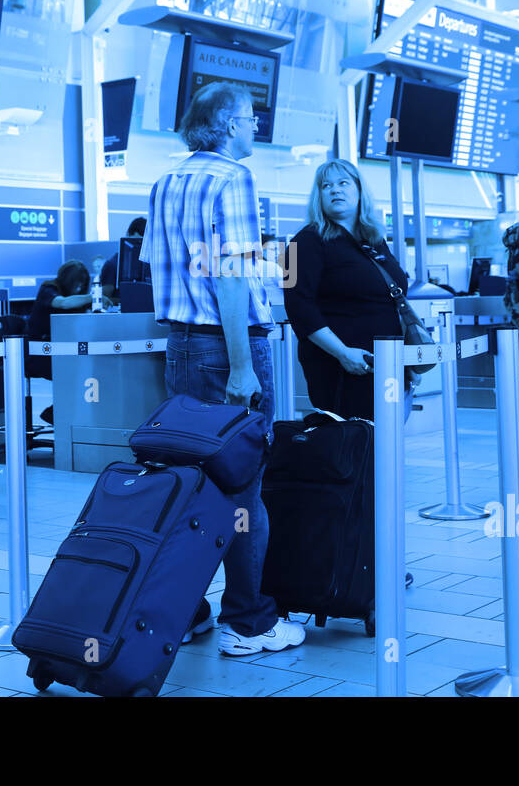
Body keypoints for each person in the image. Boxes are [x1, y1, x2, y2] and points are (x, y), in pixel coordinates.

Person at [141, 80, 304, 657]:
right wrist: (242, 365)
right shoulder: (233, 179)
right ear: (229, 124)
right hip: (226, 346)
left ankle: (185, 612)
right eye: (250, 117)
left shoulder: (165, 182)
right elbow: (230, 277)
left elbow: (158, 271)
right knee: (243, 488)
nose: (256, 125)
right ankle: (249, 623)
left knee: (189, 484)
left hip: (181, 347)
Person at [284, 158, 417, 421]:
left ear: (358, 190)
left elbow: (393, 298)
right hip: (342, 367)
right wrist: (343, 353)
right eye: (326, 185)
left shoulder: (374, 240)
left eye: (343, 183)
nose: (335, 190)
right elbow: (299, 307)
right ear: (319, 196)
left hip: (388, 362)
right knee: (351, 450)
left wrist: (407, 358)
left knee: (384, 449)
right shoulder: (304, 242)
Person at [26, 259, 97, 423]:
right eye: (76, 283)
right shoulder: (49, 289)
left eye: (82, 284)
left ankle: (60, 412)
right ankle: (56, 413)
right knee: (77, 372)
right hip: (37, 354)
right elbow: (63, 303)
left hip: (59, 352)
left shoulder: (77, 298)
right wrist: (91, 297)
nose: (79, 288)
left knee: (85, 370)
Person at [99, 217, 146, 303]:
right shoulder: (112, 265)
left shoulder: (148, 265)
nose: (137, 248)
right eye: (135, 242)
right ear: (128, 235)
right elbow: (104, 298)